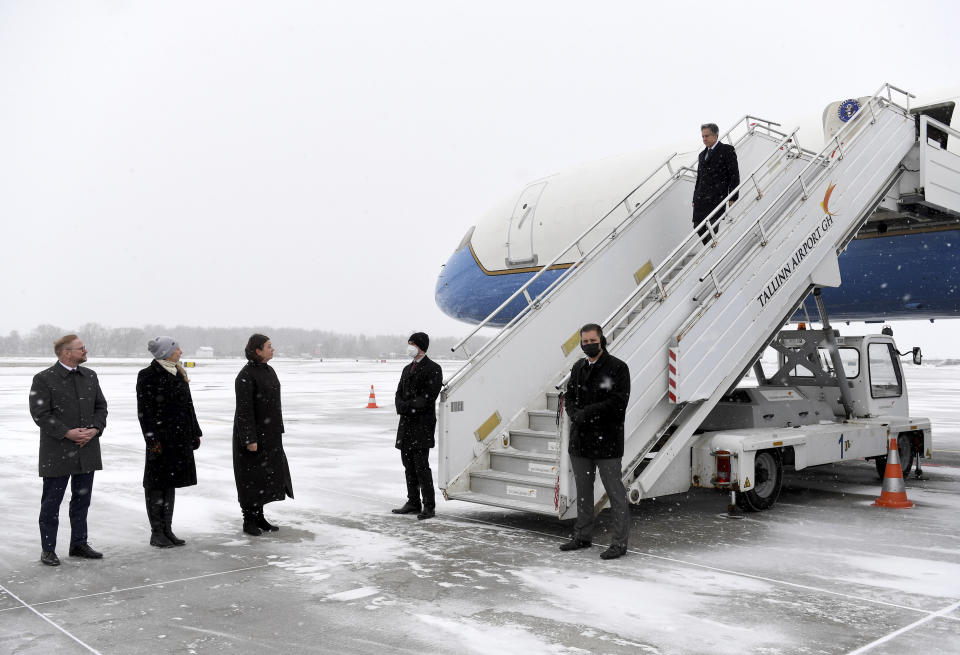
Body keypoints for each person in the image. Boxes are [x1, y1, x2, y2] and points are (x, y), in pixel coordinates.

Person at [29, 334, 108, 566]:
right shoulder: (44, 379)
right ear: (66, 352)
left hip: (87, 450)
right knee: (51, 503)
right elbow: (40, 414)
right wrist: (67, 432)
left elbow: (101, 407)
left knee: (82, 501)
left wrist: (94, 429)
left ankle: (79, 544)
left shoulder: (90, 376)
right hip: (58, 451)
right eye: (81, 348)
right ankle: (48, 549)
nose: (85, 351)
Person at [560, 323, 631, 560]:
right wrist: (572, 412)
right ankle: (582, 536)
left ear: (602, 341)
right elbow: (569, 395)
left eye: (593, 340)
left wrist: (586, 413)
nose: (588, 344)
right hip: (580, 443)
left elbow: (617, 402)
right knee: (583, 492)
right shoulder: (578, 367)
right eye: (585, 341)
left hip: (607, 442)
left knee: (615, 493)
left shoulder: (617, 368)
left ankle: (619, 543)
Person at [136, 337, 202, 548]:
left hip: (179, 438)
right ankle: (157, 532)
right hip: (160, 440)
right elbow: (144, 413)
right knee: (156, 485)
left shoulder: (178, 371)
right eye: (177, 349)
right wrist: (153, 441)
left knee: (170, 484)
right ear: (166, 352)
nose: (181, 352)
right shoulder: (147, 376)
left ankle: (167, 530)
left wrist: (195, 432)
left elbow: (188, 406)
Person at [233, 334, 293, 536]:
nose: (272, 349)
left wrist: (278, 429)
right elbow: (244, 410)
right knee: (250, 478)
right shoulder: (246, 375)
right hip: (253, 437)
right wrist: (249, 439)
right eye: (269, 346)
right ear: (257, 350)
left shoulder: (269, 370)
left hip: (270, 434)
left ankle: (259, 516)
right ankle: (248, 519)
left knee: (264, 478)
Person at [391, 332, 443, 520]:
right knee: (408, 466)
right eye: (409, 343)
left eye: (412, 343)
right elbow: (398, 393)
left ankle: (428, 506)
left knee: (422, 466)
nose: (409, 346)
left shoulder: (434, 369)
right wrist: (402, 406)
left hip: (421, 425)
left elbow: (428, 398)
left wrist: (407, 406)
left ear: (421, 346)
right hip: (406, 424)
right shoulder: (407, 369)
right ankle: (413, 501)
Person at [692, 122, 740, 244]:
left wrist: (733, 195)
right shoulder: (702, 155)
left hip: (717, 197)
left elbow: (733, 174)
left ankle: (712, 251)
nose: (704, 139)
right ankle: (710, 248)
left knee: (712, 226)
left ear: (716, 135)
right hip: (701, 199)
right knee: (698, 226)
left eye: (707, 136)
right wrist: (694, 198)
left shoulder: (726, 150)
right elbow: (699, 178)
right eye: (703, 136)